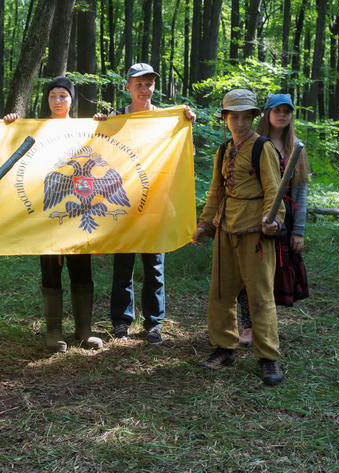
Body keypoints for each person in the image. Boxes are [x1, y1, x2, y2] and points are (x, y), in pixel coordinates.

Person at [94, 63, 196, 345]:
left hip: (156, 205)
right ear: (127, 86)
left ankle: (153, 324)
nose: (144, 88)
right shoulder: (114, 118)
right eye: (138, 83)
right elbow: (99, 156)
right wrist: (100, 127)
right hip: (124, 203)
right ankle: (121, 322)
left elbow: (184, 153)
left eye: (149, 83)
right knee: (122, 267)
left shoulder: (166, 120)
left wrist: (185, 125)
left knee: (154, 267)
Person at [191, 89, 285, 386]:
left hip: (255, 232)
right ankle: (224, 347)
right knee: (221, 293)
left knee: (260, 295)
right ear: (226, 119)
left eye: (246, 117)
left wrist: (275, 220)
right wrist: (205, 224)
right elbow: (216, 192)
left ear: (254, 118)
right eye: (234, 117)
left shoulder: (263, 148)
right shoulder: (223, 150)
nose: (240, 123)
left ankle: (268, 357)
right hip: (226, 229)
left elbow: (274, 190)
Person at [238, 93, 310, 345]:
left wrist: (298, 231)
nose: (282, 115)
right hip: (254, 218)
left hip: (283, 222)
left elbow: (300, 191)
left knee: (274, 275)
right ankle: (247, 326)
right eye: (277, 110)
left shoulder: (296, 147)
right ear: (267, 114)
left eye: (286, 111)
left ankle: (266, 325)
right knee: (250, 274)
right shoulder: (254, 143)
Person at [39, 76, 103, 352]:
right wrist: (10, 123)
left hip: (79, 209)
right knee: (50, 268)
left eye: (63, 96)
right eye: (53, 96)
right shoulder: (36, 128)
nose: (58, 101)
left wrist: (103, 123)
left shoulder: (84, 129)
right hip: (48, 211)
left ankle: (84, 329)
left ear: (72, 100)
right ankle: (53, 330)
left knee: (81, 265)